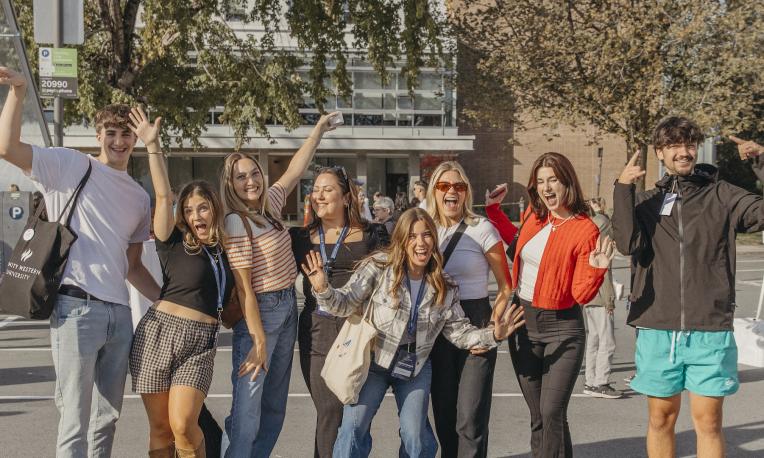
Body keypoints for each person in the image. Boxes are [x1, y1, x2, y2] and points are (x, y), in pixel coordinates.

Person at [0, 67, 160, 457]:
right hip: (76, 310)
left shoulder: (139, 197)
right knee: (74, 418)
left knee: (107, 420)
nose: (119, 141)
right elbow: (7, 148)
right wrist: (18, 91)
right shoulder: (69, 166)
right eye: (111, 133)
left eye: (127, 134)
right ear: (98, 134)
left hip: (120, 315)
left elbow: (133, 266)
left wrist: (168, 300)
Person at [301, 207, 526, 458]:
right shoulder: (378, 267)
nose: (421, 243)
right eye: (413, 236)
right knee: (353, 429)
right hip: (374, 364)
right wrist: (323, 289)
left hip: (414, 367)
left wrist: (493, 335)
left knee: (416, 437)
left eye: (427, 235)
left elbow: (459, 332)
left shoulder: (444, 284)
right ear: (401, 240)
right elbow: (344, 304)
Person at [612, 117, 764, 458]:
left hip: (709, 327)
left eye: (689, 144)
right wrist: (622, 189)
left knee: (709, 423)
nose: (683, 152)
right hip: (657, 327)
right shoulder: (648, 202)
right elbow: (625, 242)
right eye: (674, 146)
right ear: (660, 153)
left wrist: (761, 163)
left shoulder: (723, 195)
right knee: (660, 419)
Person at [219, 112, 339, 457]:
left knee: (274, 408)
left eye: (254, 173)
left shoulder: (268, 207)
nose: (250, 181)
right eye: (241, 178)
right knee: (248, 410)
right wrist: (257, 339)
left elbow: (294, 171)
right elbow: (244, 289)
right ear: (231, 184)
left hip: (288, 307)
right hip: (262, 313)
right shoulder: (236, 221)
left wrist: (317, 131)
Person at [125, 107, 243, 457]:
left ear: (214, 208)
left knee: (184, 426)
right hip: (157, 333)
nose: (195, 216)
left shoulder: (226, 247)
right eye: (189, 210)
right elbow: (163, 195)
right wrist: (152, 145)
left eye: (202, 208)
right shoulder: (171, 240)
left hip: (200, 341)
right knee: (160, 430)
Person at [485, 152, 614, 457]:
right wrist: (493, 211)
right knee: (539, 416)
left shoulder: (585, 229)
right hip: (523, 323)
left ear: (567, 181)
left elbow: (581, 295)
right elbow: (518, 243)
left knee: (552, 413)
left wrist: (596, 269)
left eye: (553, 179)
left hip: (563, 328)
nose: (546, 187)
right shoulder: (535, 215)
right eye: (541, 181)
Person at [290, 166, 388, 457]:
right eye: (315, 189)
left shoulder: (373, 234)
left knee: (356, 419)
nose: (318, 195)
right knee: (329, 414)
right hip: (317, 334)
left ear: (346, 198)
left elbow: (395, 275)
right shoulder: (301, 238)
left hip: (358, 334)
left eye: (327, 189)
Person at [425, 161, 512, 458]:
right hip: (437, 325)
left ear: (466, 193)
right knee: (445, 415)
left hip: (476, 320)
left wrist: (491, 326)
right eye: (444, 186)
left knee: (471, 419)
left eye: (459, 187)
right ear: (434, 192)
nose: (452, 191)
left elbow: (505, 286)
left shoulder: (482, 228)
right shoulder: (425, 229)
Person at [581, 197, 622, 399]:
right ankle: (601, 382)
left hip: (586, 295)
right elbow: (604, 273)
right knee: (607, 341)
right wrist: (609, 300)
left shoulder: (584, 230)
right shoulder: (601, 236)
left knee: (594, 340)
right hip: (599, 295)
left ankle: (590, 380)